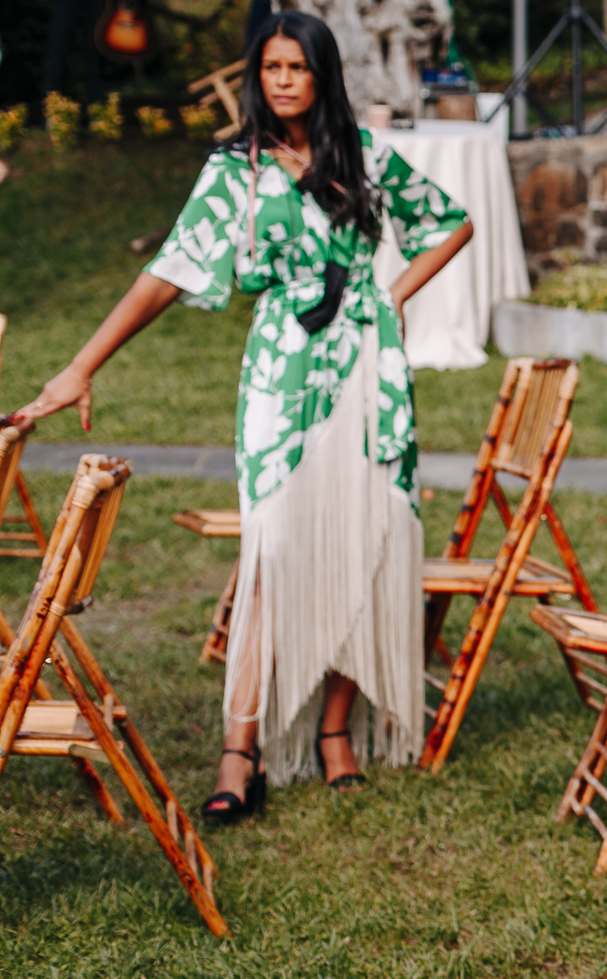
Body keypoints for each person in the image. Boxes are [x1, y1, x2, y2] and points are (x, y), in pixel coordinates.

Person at [9, 12, 474, 820]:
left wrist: (390, 298)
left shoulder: (364, 157)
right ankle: (240, 751)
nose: (283, 80)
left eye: (297, 66)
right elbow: (169, 270)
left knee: (362, 539)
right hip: (281, 377)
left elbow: (451, 223)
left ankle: (335, 734)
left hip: (368, 372)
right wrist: (82, 364)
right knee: (273, 548)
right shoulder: (237, 171)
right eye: (270, 68)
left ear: (323, 74)